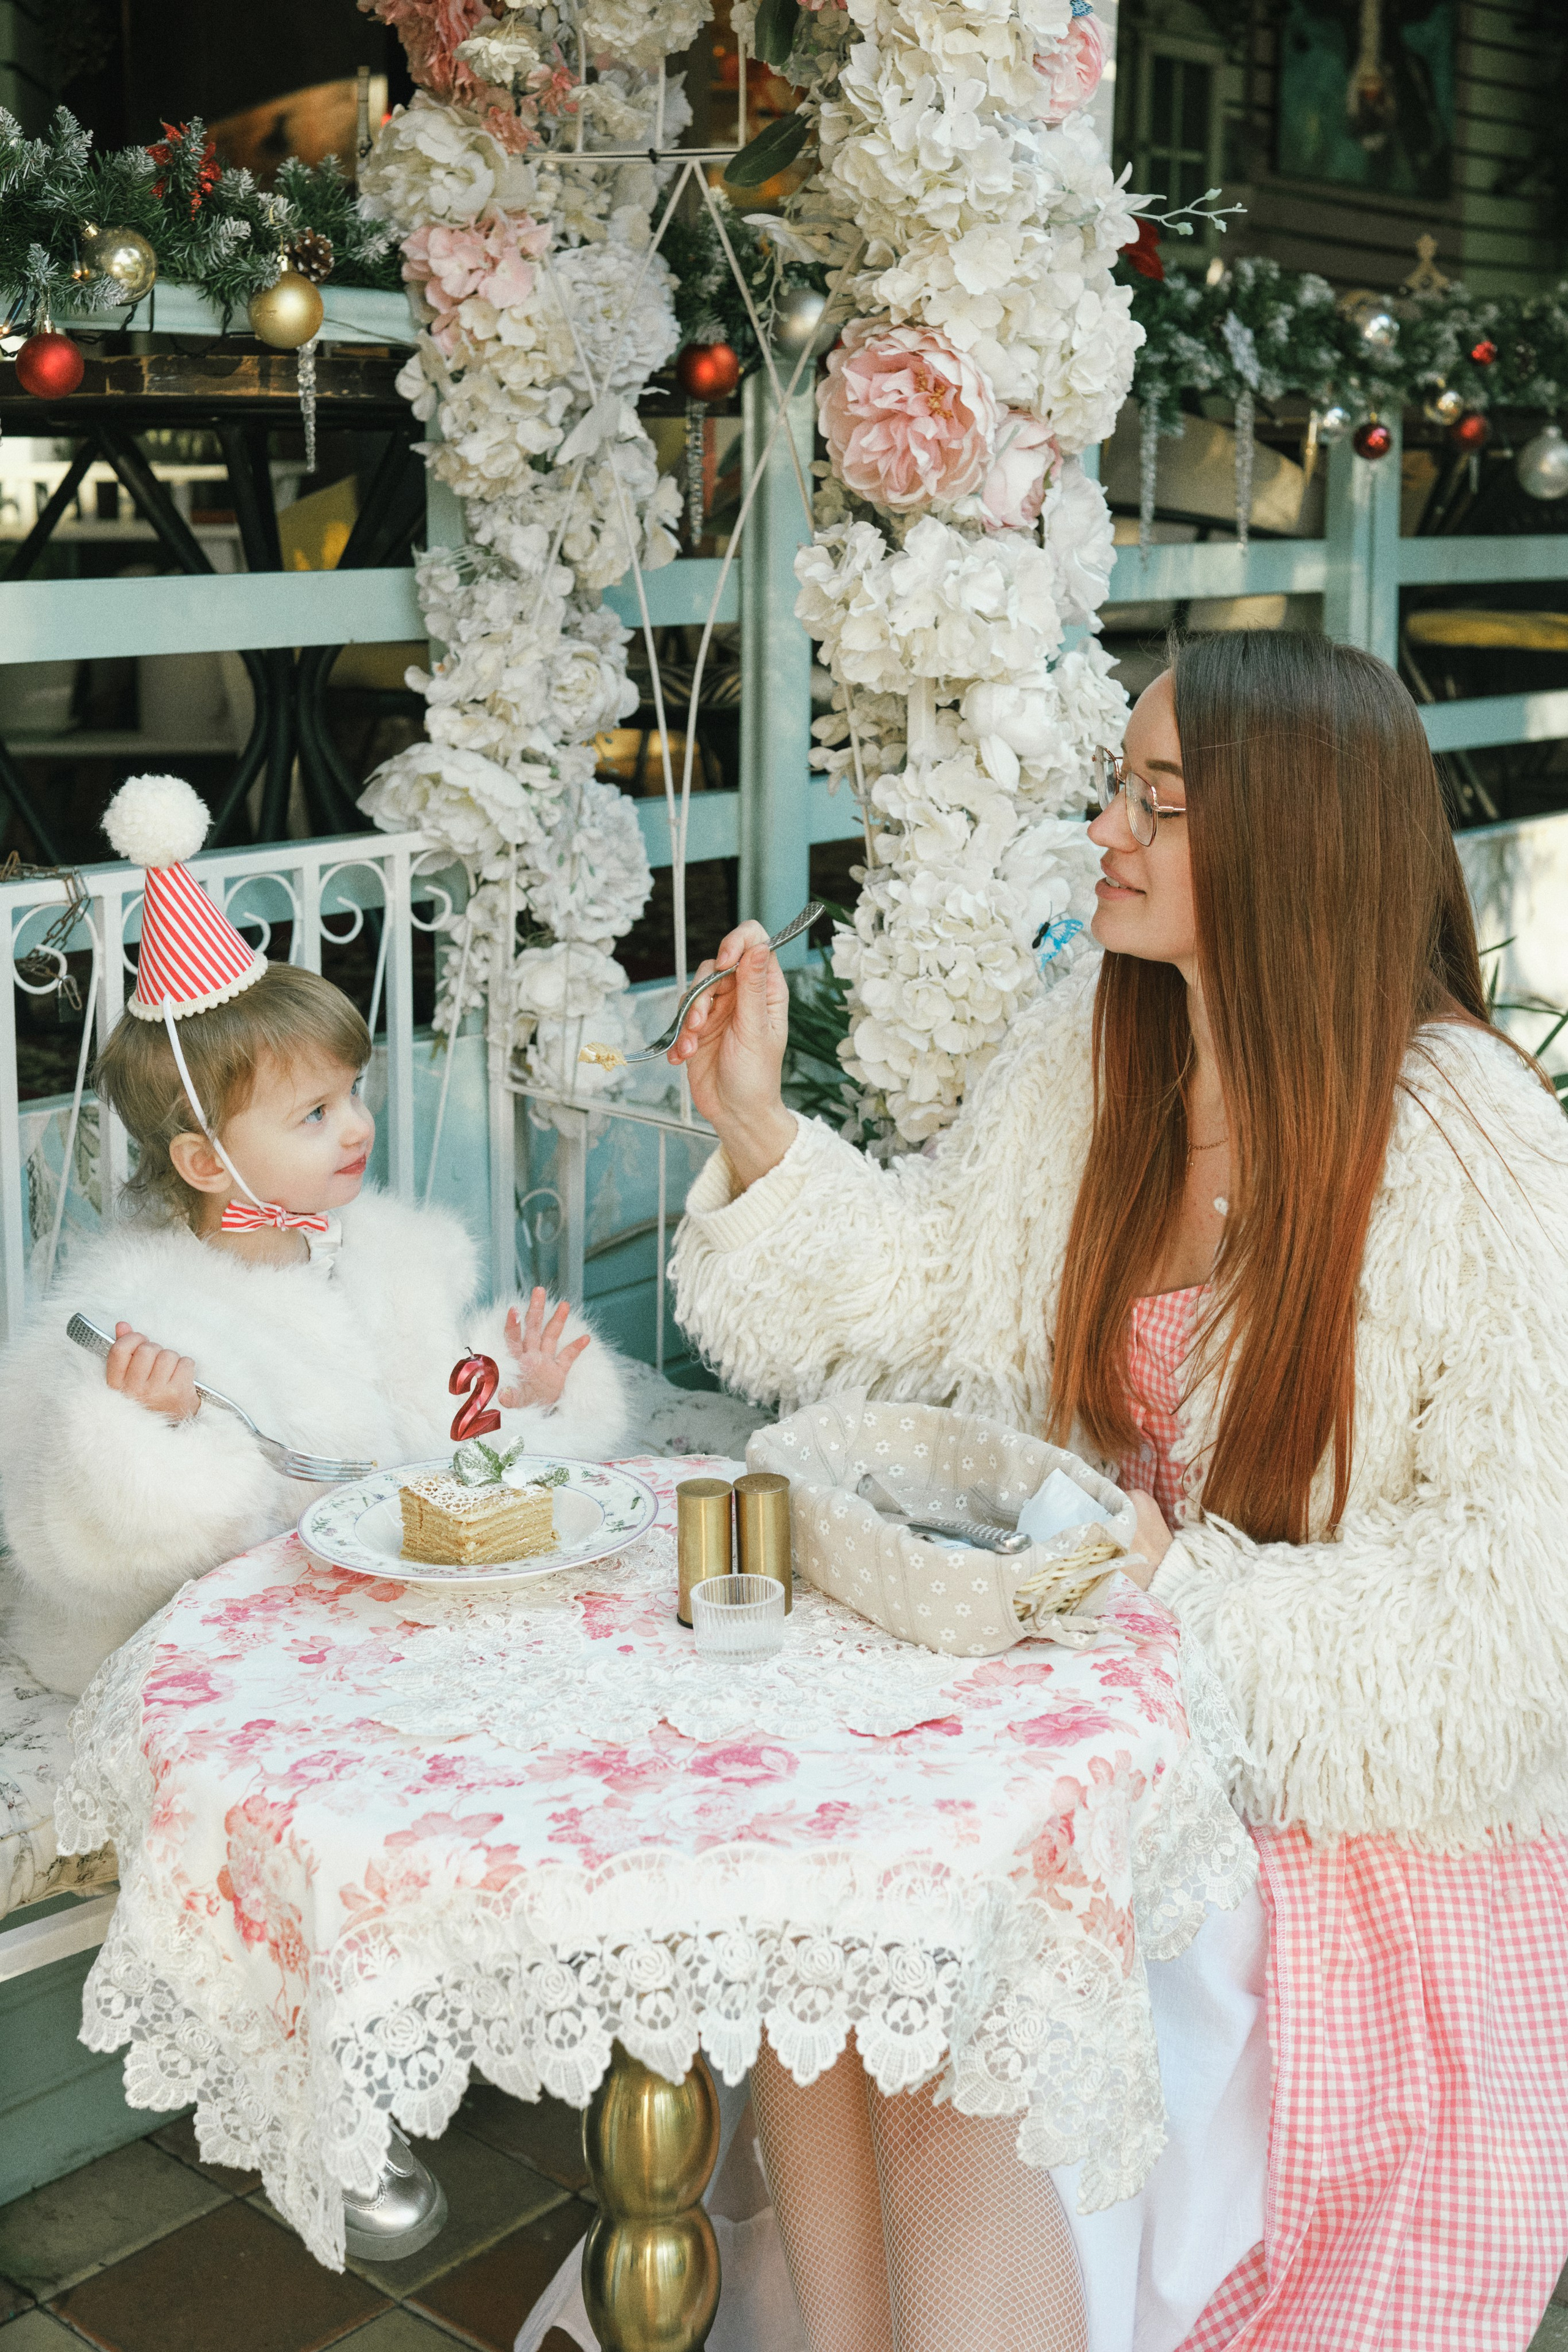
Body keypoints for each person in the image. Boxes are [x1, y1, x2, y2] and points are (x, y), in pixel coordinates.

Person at [666, 632, 1568, 2352]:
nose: (1109, 825)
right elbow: (934, 1282)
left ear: (1294, 835)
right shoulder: (1102, 1039)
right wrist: (761, 1131)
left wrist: (1166, 1585)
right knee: (816, 1939)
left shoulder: (1475, 1145)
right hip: (1086, 1733)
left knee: (950, 2007)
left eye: (1160, 796)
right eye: (1121, 785)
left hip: (1322, 1823)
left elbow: (1514, 1622)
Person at [0, 775, 628, 1707]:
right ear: (206, 1162)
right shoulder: (148, 1315)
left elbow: (420, 1426)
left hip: (365, 1598)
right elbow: (89, 1546)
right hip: (203, 1645)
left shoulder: (378, 1253)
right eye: (315, 1114)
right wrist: (149, 1428)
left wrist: (513, 1394)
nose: (357, 1129)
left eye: (355, 1094)